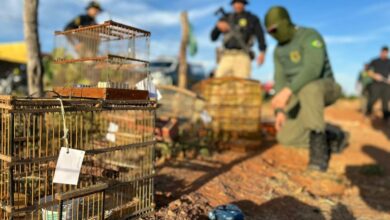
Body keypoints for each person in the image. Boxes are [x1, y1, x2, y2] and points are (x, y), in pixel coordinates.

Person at [265, 6, 343, 172]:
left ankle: (318, 154)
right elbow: (280, 79)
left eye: (275, 29)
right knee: (285, 137)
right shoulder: (278, 51)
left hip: (324, 86)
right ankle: (331, 137)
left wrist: (287, 92)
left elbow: (313, 69)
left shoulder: (309, 35)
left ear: (285, 22)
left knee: (309, 88)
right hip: (297, 93)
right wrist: (279, 109)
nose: (274, 34)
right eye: (270, 32)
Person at [211, 0, 267, 78]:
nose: (237, 5)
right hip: (226, 56)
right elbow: (213, 37)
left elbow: (260, 35)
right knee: (219, 83)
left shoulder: (252, 18)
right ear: (233, 4)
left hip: (243, 56)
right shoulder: (225, 18)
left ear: (244, 4)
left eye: (240, 2)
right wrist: (218, 27)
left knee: (242, 85)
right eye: (235, 2)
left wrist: (262, 52)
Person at [366, 46, 390, 120]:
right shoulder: (375, 61)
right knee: (373, 98)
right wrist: (374, 75)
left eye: (386, 53)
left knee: (385, 101)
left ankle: (386, 118)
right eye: (383, 52)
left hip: (386, 84)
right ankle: (368, 112)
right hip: (376, 84)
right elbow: (367, 70)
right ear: (381, 52)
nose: (384, 54)